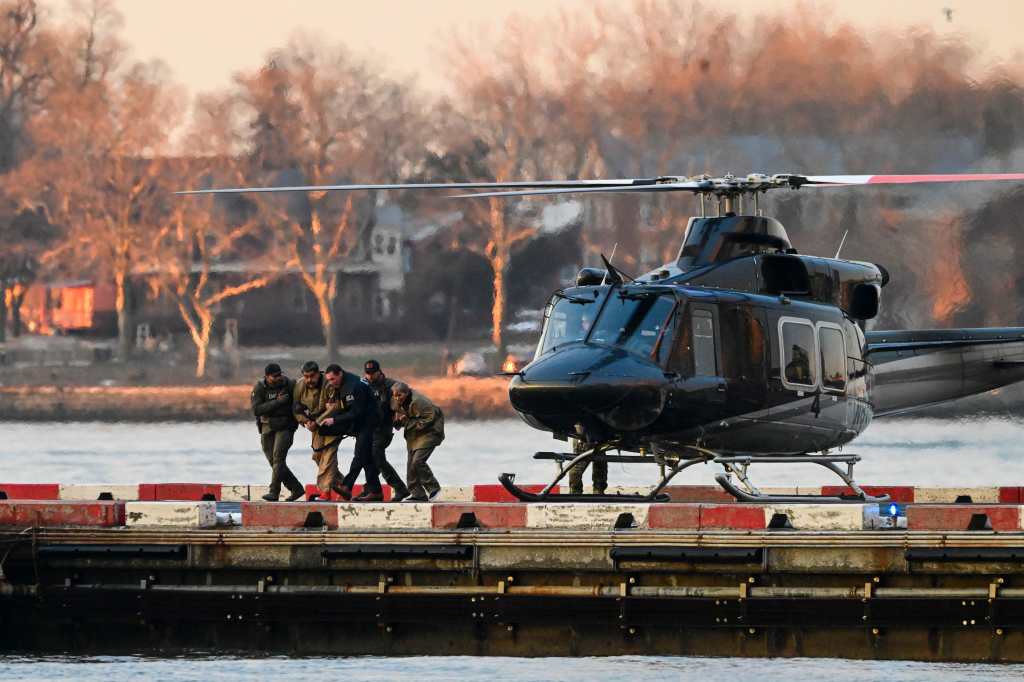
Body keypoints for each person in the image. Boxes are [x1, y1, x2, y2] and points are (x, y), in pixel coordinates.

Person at [341, 359, 410, 502]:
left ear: (379, 372)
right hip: (367, 429)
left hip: (383, 429)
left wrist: (399, 416)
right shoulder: (362, 385)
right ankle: (372, 490)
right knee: (367, 457)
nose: (370, 376)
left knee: (376, 455)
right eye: (368, 373)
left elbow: (404, 400)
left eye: (373, 373)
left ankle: (399, 488)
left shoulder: (391, 385)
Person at [310, 363, 377, 501]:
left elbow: (356, 411)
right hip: (359, 424)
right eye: (328, 380)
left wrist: (334, 420)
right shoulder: (340, 385)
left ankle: (346, 486)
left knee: (359, 455)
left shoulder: (355, 386)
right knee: (366, 458)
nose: (330, 382)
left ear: (340, 374)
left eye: (332, 379)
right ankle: (375, 491)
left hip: (370, 422)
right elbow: (345, 406)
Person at [250, 362, 304, 502]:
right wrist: (278, 402)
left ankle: (274, 492)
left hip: (286, 426)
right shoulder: (260, 387)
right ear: (267, 377)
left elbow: (298, 404)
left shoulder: (289, 384)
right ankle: (296, 488)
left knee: (278, 458)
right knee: (273, 461)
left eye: (280, 374)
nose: (278, 378)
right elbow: (257, 410)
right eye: (275, 376)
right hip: (267, 426)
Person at [390, 381, 444, 502]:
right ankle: (417, 493)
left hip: (430, 431)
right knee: (411, 464)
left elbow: (430, 417)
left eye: (400, 395)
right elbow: (395, 412)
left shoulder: (419, 401)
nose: (397, 398)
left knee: (418, 461)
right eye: (395, 395)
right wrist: (397, 421)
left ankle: (433, 488)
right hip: (413, 434)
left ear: (407, 393)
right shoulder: (394, 400)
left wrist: (409, 423)